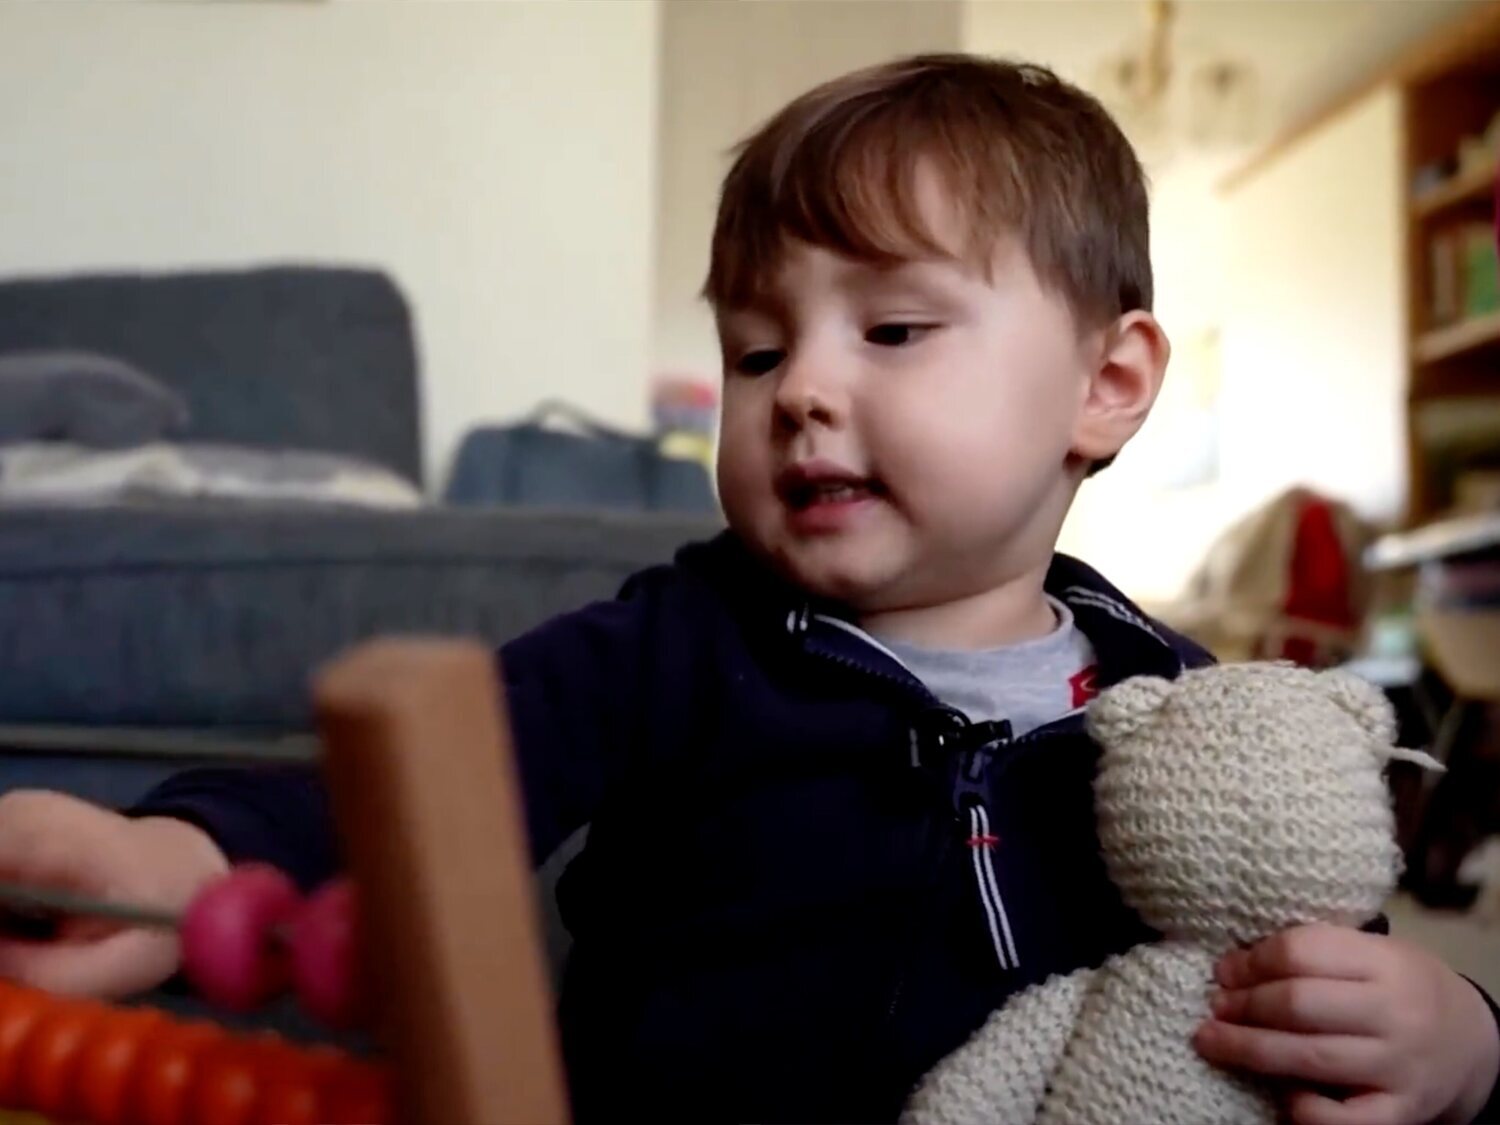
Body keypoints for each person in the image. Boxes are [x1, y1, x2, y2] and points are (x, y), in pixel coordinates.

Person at [0, 54, 1495, 1125]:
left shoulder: (1186, 702)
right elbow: (421, 778)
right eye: (758, 350)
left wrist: (1456, 1034)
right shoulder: (670, 647)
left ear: (1106, 383)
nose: (801, 394)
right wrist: (187, 857)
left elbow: (1298, 927)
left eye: (895, 327)